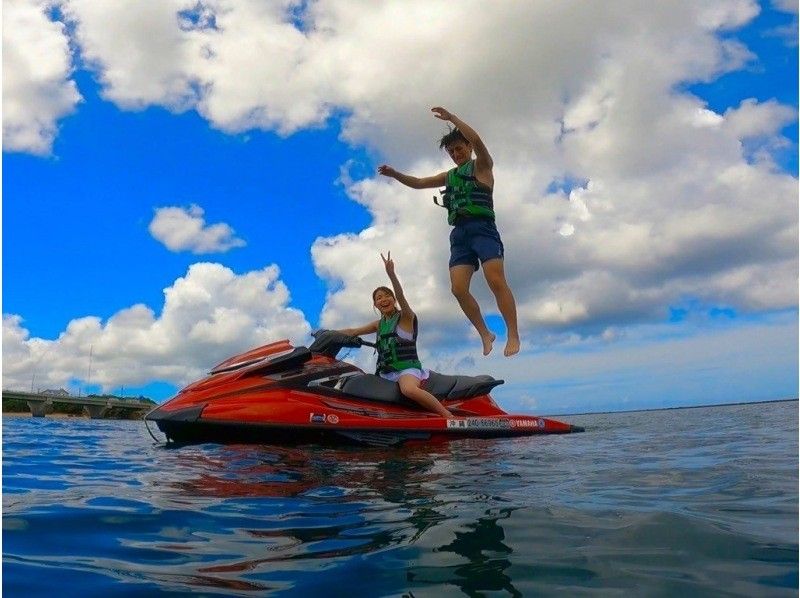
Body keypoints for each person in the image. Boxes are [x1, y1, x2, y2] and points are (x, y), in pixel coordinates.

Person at [377, 106, 520, 357]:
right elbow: (419, 183)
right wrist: (395, 174)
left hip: (482, 229)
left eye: (459, 148)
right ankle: (485, 334)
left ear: (469, 148)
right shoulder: (449, 176)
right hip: (460, 235)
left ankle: (513, 335)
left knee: (496, 281)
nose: (456, 154)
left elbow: (476, 139)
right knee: (458, 289)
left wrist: (452, 118)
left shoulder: (482, 167)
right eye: (452, 151)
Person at [337, 252, 455, 418]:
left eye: (387, 296)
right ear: (375, 304)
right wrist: (328, 333)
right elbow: (353, 331)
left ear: (394, 299)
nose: (384, 299)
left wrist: (391, 274)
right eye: (379, 298)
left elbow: (401, 296)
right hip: (385, 373)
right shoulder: (379, 324)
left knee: (408, 389)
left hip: (407, 370)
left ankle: (448, 416)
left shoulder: (405, 317)